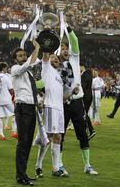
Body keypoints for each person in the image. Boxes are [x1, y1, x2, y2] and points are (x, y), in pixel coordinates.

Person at [59, 23, 98, 176]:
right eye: (62, 49)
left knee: (82, 134)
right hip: (62, 103)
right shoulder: (55, 65)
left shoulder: (74, 59)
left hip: (77, 102)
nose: (66, 50)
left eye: (66, 48)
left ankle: (87, 165)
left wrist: (66, 26)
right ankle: (60, 165)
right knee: (60, 135)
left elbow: (74, 40)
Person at [11, 40, 40, 186]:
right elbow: (30, 62)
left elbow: (34, 61)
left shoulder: (27, 72)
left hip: (30, 107)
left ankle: (24, 173)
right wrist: (37, 48)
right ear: (15, 59)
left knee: (28, 143)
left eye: (24, 55)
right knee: (23, 142)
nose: (23, 57)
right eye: (20, 55)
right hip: (22, 108)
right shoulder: (15, 69)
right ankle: (20, 176)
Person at [40, 52, 66, 177]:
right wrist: (46, 44)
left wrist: (72, 93)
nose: (55, 58)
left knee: (58, 138)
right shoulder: (46, 69)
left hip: (59, 109)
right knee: (49, 137)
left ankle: (56, 169)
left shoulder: (58, 76)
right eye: (53, 57)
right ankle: (38, 165)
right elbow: (45, 56)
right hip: (50, 106)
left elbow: (61, 96)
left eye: (57, 58)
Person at [0, 62, 17, 140]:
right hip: (7, 99)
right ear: (3, 68)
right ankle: (14, 132)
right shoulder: (6, 77)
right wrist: (14, 96)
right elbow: (11, 89)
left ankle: (1, 135)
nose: (7, 69)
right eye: (6, 68)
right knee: (15, 114)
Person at [80, 64, 96, 140]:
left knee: (83, 114)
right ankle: (87, 130)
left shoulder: (85, 74)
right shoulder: (88, 74)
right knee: (84, 114)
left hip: (85, 97)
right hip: (89, 96)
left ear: (82, 66)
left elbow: (83, 86)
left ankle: (90, 130)